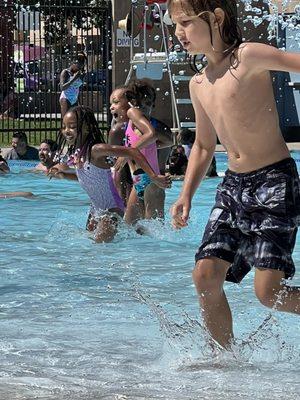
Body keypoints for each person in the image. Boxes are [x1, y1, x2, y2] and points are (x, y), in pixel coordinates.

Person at [168, 0, 300, 349]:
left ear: (217, 18)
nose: (179, 32)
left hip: (275, 182)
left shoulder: (249, 57)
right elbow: (203, 145)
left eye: (185, 22)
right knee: (205, 275)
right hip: (233, 186)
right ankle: (223, 361)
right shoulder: (199, 83)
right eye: (174, 25)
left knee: (268, 293)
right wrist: (185, 195)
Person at [50, 105, 171, 243]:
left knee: (100, 249)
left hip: (111, 212)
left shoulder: (96, 150)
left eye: (72, 126)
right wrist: (64, 175)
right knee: (88, 246)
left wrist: (154, 176)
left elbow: (133, 151)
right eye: (64, 126)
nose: (66, 131)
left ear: (87, 128)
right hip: (95, 212)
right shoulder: (79, 153)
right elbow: (91, 178)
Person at [114, 79, 173, 224]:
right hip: (139, 181)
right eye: (139, 104)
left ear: (153, 105)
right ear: (132, 102)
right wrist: (148, 146)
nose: (143, 108)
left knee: (153, 234)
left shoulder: (133, 113)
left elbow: (152, 134)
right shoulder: (133, 113)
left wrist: (128, 151)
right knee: (132, 229)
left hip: (151, 180)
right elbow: (167, 141)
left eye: (147, 105)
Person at [59, 53, 86, 118]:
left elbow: (77, 88)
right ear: (73, 63)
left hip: (75, 99)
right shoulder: (65, 72)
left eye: (81, 66)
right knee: (65, 120)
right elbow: (62, 87)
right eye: (78, 66)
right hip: (66, 98)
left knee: (76, 120)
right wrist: (74, 79)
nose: (79, 68)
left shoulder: (79, 73)